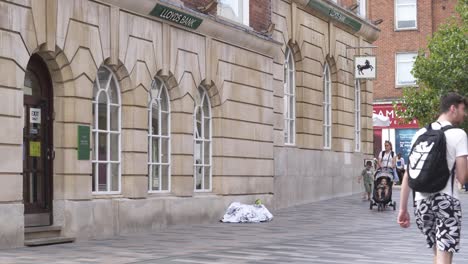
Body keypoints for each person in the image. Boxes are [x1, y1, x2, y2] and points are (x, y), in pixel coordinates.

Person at [398, 92, 468, 264]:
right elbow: (462, 177)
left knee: (437, 251)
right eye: (462, 109)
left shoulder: (420, 133)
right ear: (453, 108)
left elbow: (408, 173)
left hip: (421, 202)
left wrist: (402, 209)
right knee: (445, 255)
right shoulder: (459, 134)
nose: (464, 114)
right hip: (446, 200)